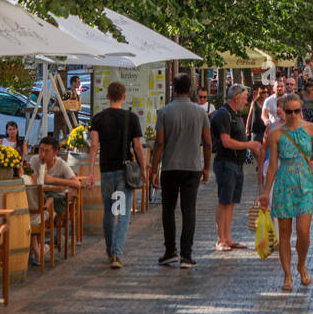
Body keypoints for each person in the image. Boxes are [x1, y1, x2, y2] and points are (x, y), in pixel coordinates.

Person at [260, 92, 313, 290]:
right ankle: (287, 274)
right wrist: (265, 192)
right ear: (282, 112)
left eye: (296, 111)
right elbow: (272, 166)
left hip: (305, 183)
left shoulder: (311, 129)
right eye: (288, 111)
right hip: (284, 183)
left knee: (303, 232)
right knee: (285, 233)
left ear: (301, 111)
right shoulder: (276, 134)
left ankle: (301, 263)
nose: (292, 115)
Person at [152, 72, 212, 269]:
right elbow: (208, 142)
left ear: (174, 89)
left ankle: (170, 251)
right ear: (191, 90)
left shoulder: (164, 112)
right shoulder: (200, 113)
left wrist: (154, 170)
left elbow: (159, 143)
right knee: (189, 210)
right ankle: (187, 254)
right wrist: (206, 168)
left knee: (168, 209)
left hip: (170, 167)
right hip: (193, 167)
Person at [88, 82, 146, 269]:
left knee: (108, 211)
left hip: (106, 171)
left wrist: (90, 172)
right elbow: (137, 146)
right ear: (123, 97)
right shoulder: (131, 118)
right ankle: (116, 253)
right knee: (122, 213)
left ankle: (109, 248)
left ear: (107, 96)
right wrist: (143, 169)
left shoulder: (98, 118)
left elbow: (94, 146)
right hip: (123, 172)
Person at [211, 84, 263, 250]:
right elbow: (226, 141)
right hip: (226, 163)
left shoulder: (234, 114)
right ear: (236, 98)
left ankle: (228, 237)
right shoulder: (223, 114)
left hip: (236, 164)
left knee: (231, 202)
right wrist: (249, 144)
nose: (246, 101)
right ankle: (221, 239)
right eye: (245, 97)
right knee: (224, 201)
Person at [29, 134, 79, 265]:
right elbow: (32, 180)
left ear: (55, 152)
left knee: (39, 208)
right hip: (39, 197)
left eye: (46, 151)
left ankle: (41, 247)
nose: (42, 154)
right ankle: (40, 248)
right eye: (40, 150)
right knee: (33, 209)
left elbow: (77, 184)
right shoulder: (35, 161)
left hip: (57, 200)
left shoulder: (61, 165)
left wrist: (53, 180)